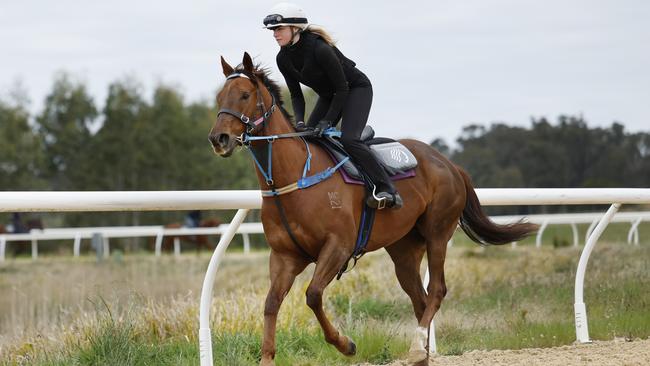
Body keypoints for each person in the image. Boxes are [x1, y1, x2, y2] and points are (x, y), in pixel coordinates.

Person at [263, 2, 403, 209]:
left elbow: (343, 89)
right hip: (330, 95)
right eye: (273, 30)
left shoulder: (320, 49)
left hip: (356, 89)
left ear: (295, 29)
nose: (275, 34)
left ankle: (387, 188)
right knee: (308, 137)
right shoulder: (282, 58)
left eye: (279, 29)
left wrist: (327, 121)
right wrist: (300, 122)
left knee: (350, 139)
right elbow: (296, 95)